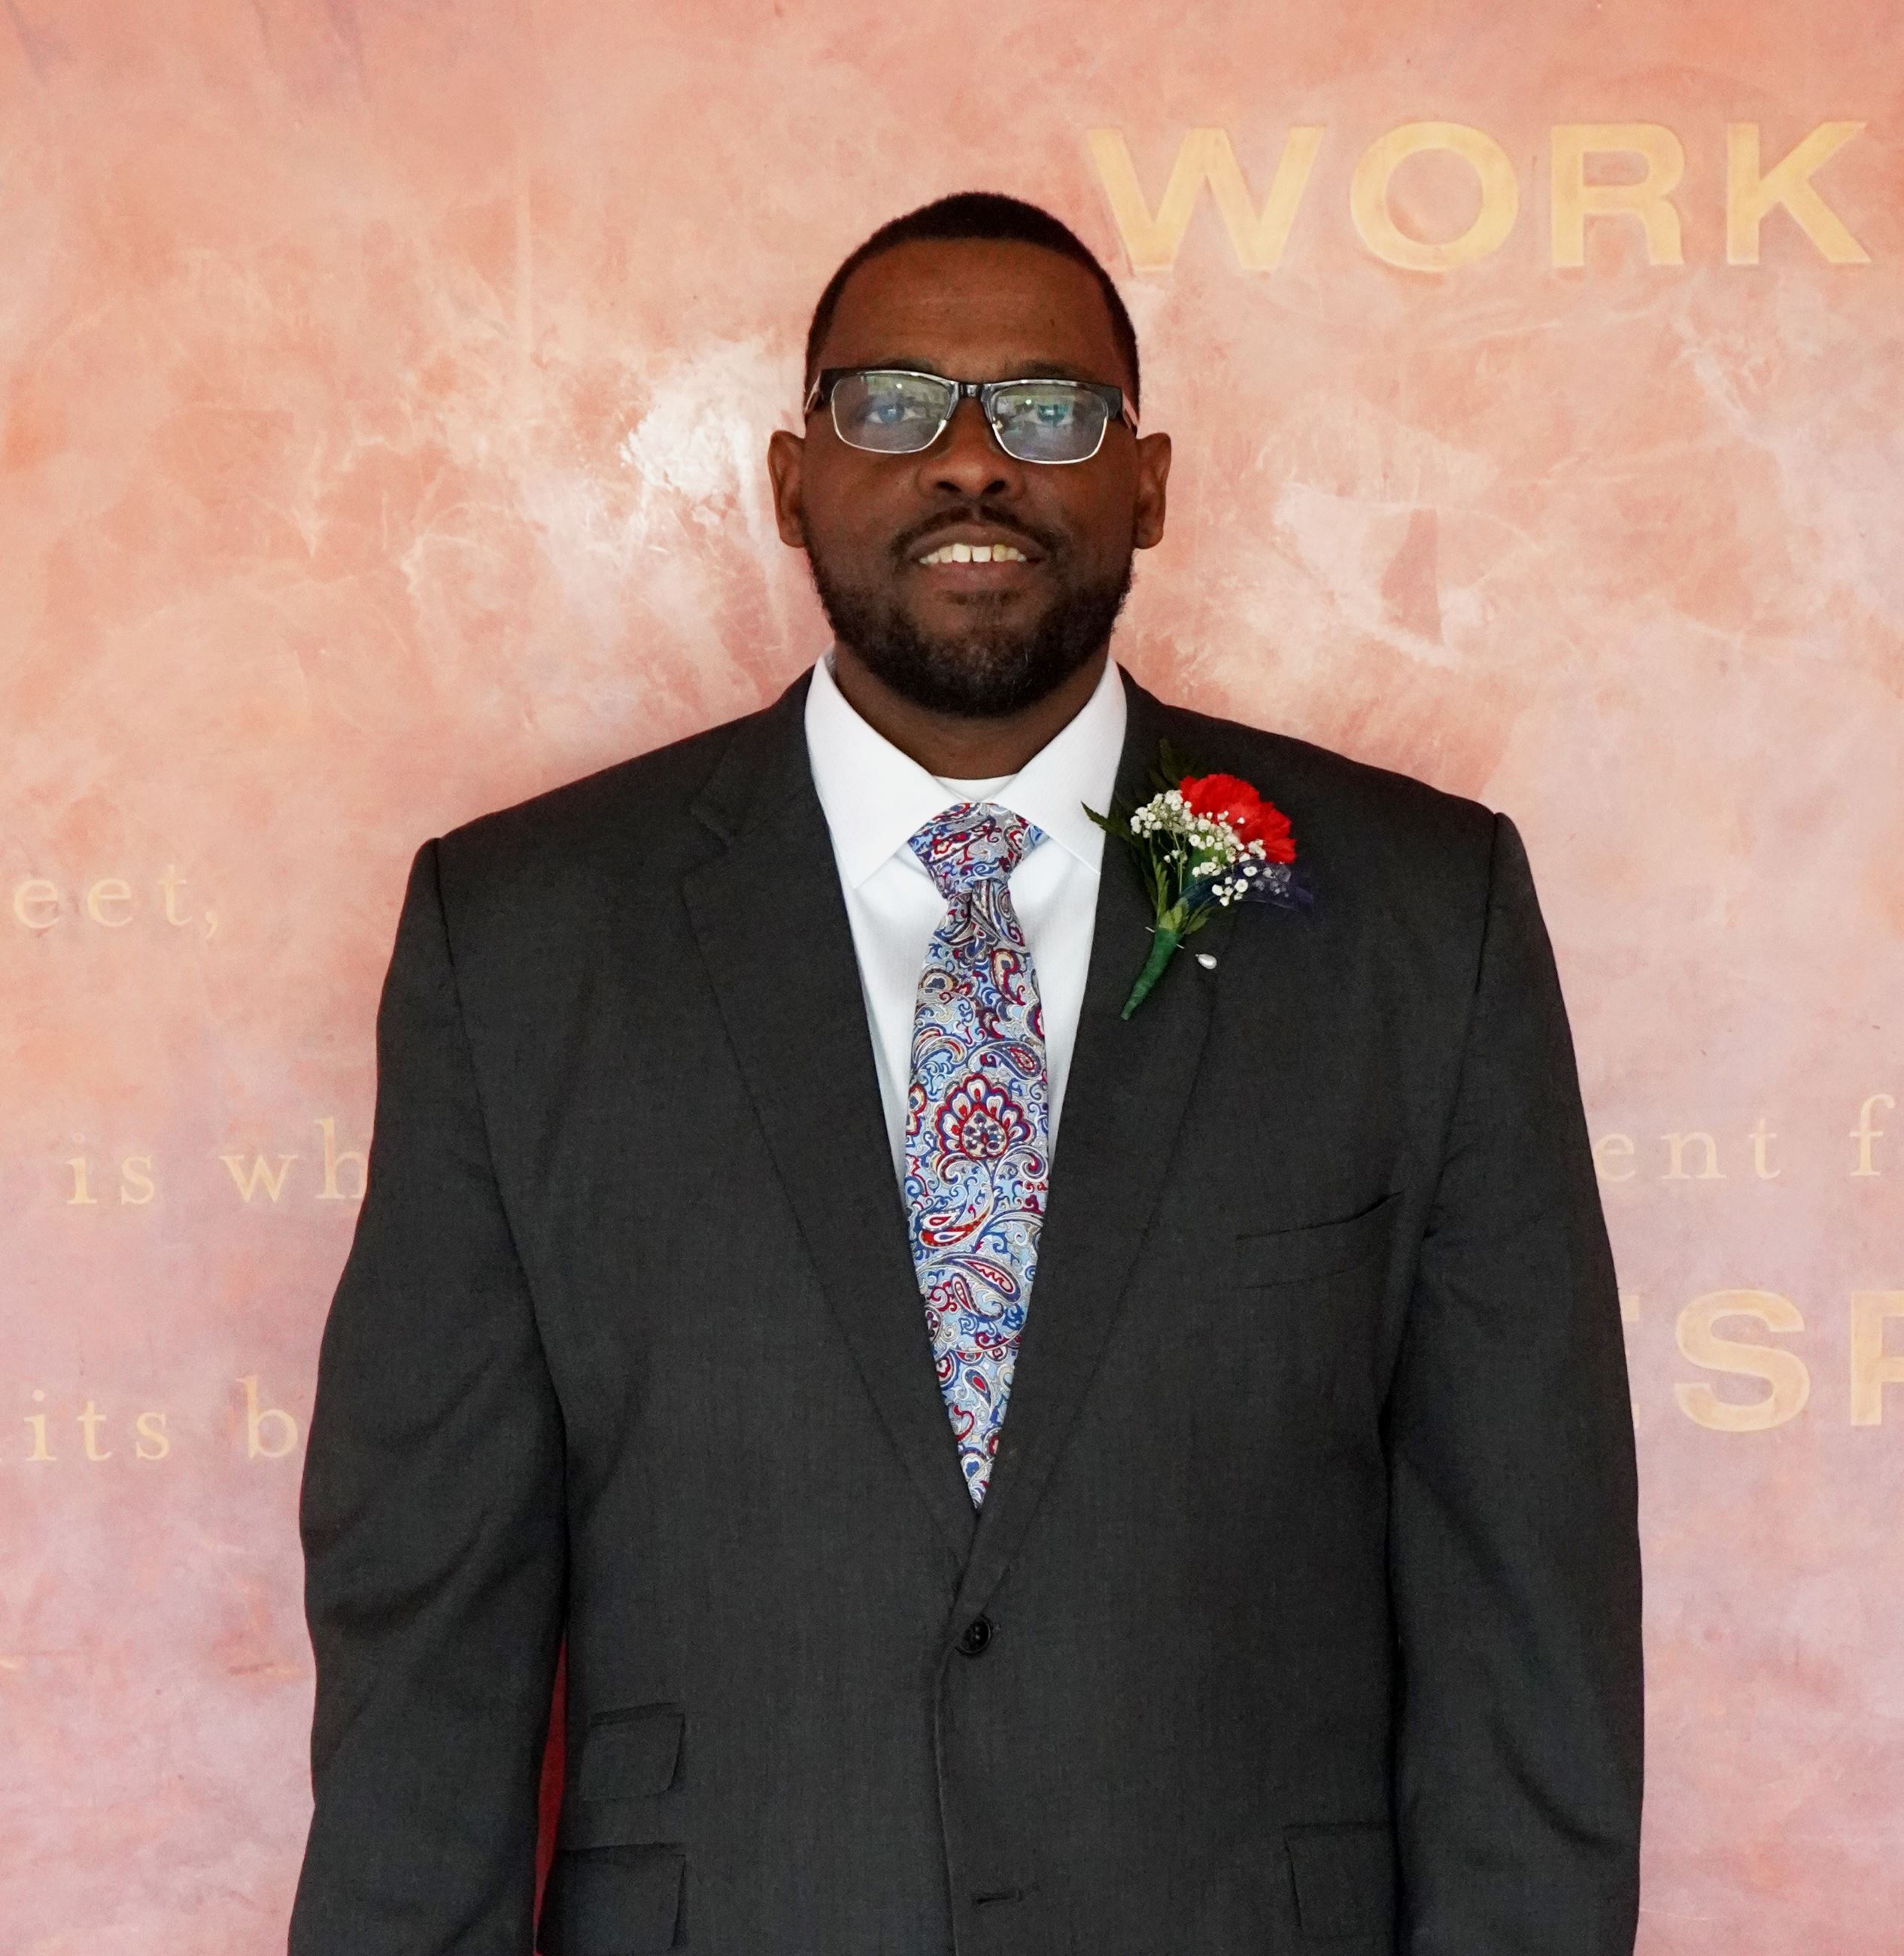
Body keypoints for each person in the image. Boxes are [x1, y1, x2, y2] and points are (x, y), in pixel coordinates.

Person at [287, 191, 1643, 1956]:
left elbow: (1528, 1619)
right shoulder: (525, 938)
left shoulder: (1413, 917)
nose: (974, 464)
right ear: (790, 478)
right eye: (895, 406)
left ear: (1147, 482)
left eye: (1051, 410)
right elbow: (425, 1639)